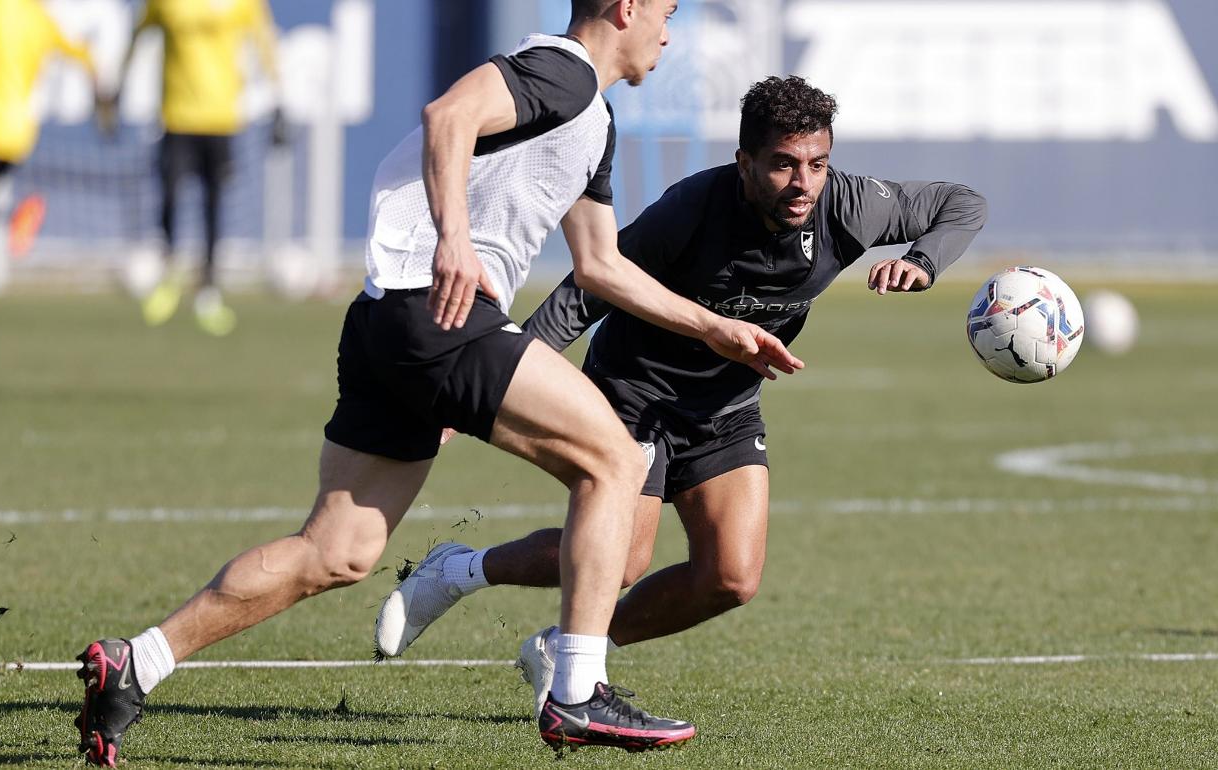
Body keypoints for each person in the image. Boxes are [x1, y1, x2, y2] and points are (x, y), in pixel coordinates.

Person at [74, 1, 806, 765]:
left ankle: (139, 661)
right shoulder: (560, 71)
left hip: (393, 321)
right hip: (438, 308)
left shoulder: (593, 117)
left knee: (339, 551)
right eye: (665, 11)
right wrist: (455, 239)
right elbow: (447, 114)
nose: (668, 30)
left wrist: (713, 329)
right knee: (617, 461)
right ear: (625, 7)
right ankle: (578, 692)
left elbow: (600, 266)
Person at [376, 75, 989, 719]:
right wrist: (489, 378)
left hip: (724, 405)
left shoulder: (850, 206)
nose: (804, 183)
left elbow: (962, 202)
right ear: (745, 163)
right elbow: (588, 290)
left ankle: (565, 649)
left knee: (730, 577)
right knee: (623, 562)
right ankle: (458, 571)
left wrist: (923, 260)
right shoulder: (691, 209)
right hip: (634, 389)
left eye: (817, 163)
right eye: (782, 165)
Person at [103, 0, 282, 337]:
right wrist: (118, 89)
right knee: (169, 193)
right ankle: (169, 268)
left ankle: (209, 288)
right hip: (176, 117)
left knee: (213, 204)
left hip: (223, 118)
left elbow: (264, 42)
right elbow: (136, 37)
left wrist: (278, 100)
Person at [0, 0, 97, 342]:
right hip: (16, 135)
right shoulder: (39, 17)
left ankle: (1, 213)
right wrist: (101, 87)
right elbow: (77, 51)